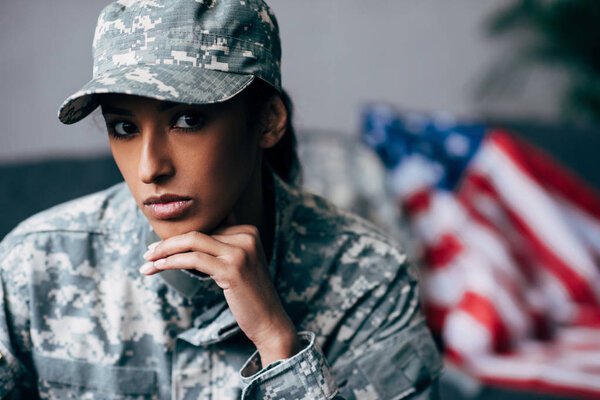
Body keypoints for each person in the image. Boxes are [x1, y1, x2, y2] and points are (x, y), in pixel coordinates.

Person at [0, 0, 442, 399]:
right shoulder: (32, 264)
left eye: (187, 119)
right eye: (124, 128)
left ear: (268, 121)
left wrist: (277, 344)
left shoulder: (368, 279)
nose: (149, 168)